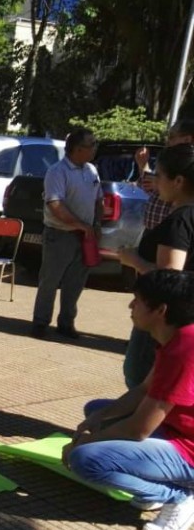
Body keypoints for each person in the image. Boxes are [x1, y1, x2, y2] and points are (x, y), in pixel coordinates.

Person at [64, 269, 194, 530]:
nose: (130, 305)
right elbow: (145, 389)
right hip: (180, 431)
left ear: (160, 310)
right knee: (96, 410)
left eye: (137, 300)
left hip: (189, 448)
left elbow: (139, 430)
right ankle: (162, 485)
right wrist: (100, 418)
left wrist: (86, 442)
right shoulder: (179, 336)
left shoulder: (183, 350)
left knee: (85, 460)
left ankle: (178, 496)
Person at [118, 143, 194, 389]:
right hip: (180, 321)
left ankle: (139, 426)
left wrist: (133, 259)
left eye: (159, 176)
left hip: (162, 319)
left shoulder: (181, 221)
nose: (155, 181)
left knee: (140, 377)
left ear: (178, 181)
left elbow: (169, 279)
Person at [31, 127, 103, 340]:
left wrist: (96, 223)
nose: (95, 149)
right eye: (92, 145)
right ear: (79, 149)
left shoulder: (91, 170)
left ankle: (66, 323)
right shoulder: (57, 171)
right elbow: (55, 204)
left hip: (85, 236)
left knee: (76, 282)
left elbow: (99, 199)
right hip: (60, 235)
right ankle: (40, 323)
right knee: (50, 281)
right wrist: (80, 224)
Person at [133, 120, 194, 232]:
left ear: (187, 139)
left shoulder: (189, 166)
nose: (167, 141)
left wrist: (159, 184)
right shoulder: (169, 161)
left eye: (171, 136)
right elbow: (149, 186)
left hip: (172, 234)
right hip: (153, 232)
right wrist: (143, 165)